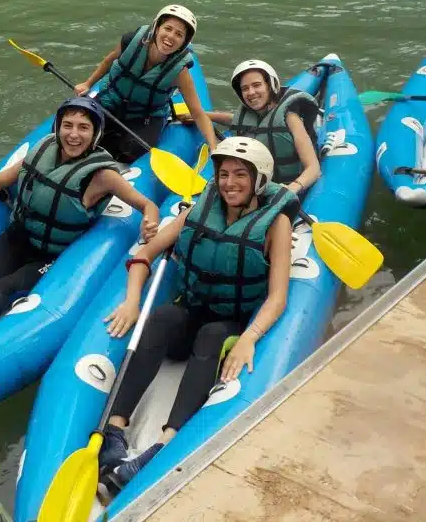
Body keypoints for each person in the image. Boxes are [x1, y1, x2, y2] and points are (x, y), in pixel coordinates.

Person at [96, 137, 298, 493]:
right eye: (223, 174)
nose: (229, 183)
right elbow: (146, 253)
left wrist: (250, 338)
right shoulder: (200, 209)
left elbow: (278, 296)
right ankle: (114, 430)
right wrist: (131, 301)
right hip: (191, 312)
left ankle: (165, 445)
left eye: (239, 175)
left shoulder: (276, 224)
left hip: (229, 325)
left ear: (259, 181)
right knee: (161, 317)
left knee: (211, 335)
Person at [0, 97, 161, 379]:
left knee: (4, 288)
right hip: (18, 237)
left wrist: (150, 222)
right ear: (57, 127)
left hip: (50, 255)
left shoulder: (103, 176)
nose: (74, 134)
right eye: (67, 125)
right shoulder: (42, 151)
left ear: (95, 134)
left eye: (83, 128)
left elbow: (146, 205)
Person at [74, 4, 218, 164]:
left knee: (131, 150)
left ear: (184, 42)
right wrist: (88, 83)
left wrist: (214, 147)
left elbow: (197, 113)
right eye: (168, 28)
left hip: (145, 117)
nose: (171, 36)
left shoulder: (180, 73)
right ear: (156, 28)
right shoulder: (131, 41)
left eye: (179, 34)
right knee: (77, 128)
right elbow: (109, 60)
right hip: (111, 102)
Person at [188, 59, 322, 196]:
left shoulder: (290, 117)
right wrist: (200, 115)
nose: (251, 92)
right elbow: (234, 120)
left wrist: (292, 188)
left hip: (286, 186)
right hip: (254, 186)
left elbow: (313, 168)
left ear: (270, 86)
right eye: (245, 88)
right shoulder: (248, 114)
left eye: (256, 85)